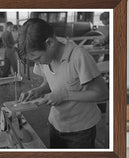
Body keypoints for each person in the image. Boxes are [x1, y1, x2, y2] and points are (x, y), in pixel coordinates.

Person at [18, 18, 108, 149]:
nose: (38, 63)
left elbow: (102, 94)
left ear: (49, 43)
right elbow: (51, 82)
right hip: (56, 124)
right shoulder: (46, 59)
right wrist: (39, 90)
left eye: (38, 58)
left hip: (81, 130)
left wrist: (64, 95)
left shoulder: (78, 56)